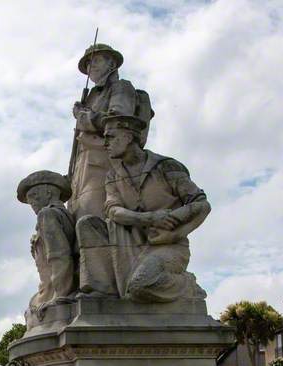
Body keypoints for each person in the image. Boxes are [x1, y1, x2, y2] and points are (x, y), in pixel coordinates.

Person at [77, 114, 210, 302]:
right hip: (129, 242)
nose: (106, 143)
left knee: (140, 286)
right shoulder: (113, 176)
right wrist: (150, 218)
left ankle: (187, 285)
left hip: (166, 247)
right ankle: (102, 288)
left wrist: (176, 231)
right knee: (87, 224)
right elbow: (113, 210)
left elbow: (201, 204)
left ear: (129, 137)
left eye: (111, 137)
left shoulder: (165, 167)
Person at [67, 44, 151, 222]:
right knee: (78, 218)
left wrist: (82, 116)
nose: (91, 66)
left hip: (104, 163)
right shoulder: (93, 96)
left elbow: (118, 123)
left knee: (94, 217)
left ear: (112, 64)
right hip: (83, 166)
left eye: (96, 60)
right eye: (88, 63)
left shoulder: (121, 87)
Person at [16, 170, 77, 321]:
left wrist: (59, 295)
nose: (32, 203)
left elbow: (59, 256)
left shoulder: (48, 214)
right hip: (48, 290)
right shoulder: (58, 215)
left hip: (56, 292)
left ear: (48, 193)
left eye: (33, 197)